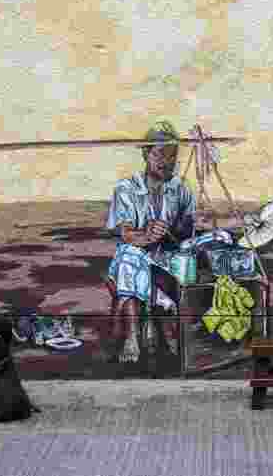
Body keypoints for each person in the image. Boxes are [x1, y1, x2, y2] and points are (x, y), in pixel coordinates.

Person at [105, 121, 195, 364]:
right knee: (129, 256)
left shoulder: (180, 189)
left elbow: (188, 231)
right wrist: (145, 235)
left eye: (172, 156)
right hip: (136, 253)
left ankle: (171, 333)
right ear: (146, 153)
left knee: (186, 263)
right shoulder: (127, 189)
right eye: (159, 154)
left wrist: (171, 231)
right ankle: (132, 335)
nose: (166, 161)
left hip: (167, 256)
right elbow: (124, 234)